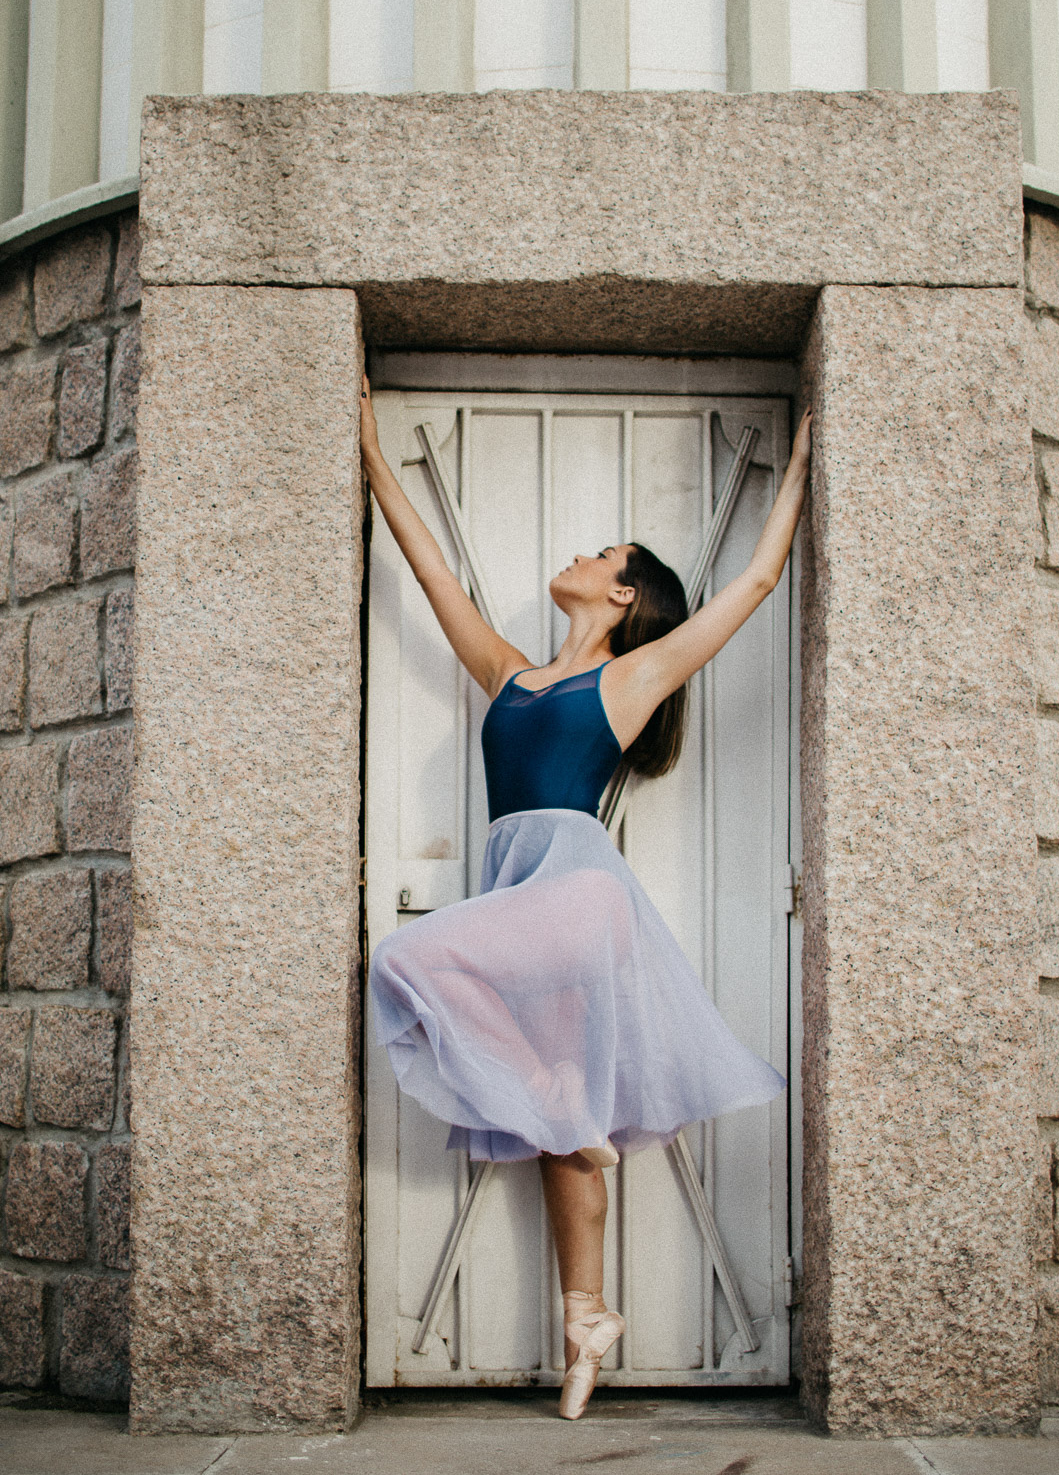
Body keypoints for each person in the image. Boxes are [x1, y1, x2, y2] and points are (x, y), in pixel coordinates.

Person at [360, 380, 813, 1419]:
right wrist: (374, 457)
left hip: (578, 896)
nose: (581, 554)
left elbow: (752, 582)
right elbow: (433, 575)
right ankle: (587, 1325)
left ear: (622, 596)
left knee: (401, 959)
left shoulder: (632, 678)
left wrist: (795, 470)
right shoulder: (512, 677)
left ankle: (566, 1127)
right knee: (564, 1130)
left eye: (602, 553)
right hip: (523, 901)